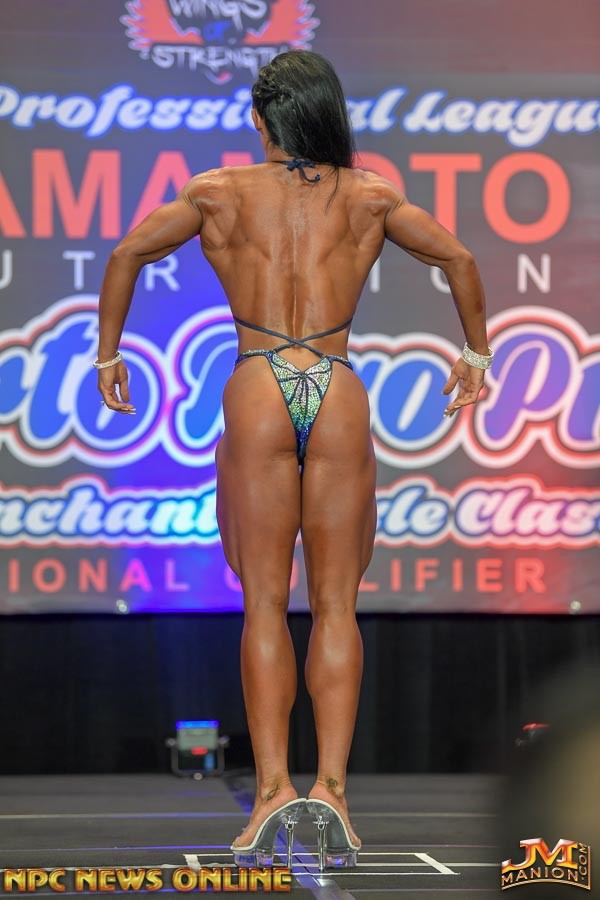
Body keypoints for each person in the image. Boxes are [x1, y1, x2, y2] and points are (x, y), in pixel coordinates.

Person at [95, 50, 493, 871]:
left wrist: (108, 355)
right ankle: (333, 792)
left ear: (260, 119)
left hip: (257, 383)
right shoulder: (369, 195)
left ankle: (273, 791)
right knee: (337, 604)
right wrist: (476, 356)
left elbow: (128, 252)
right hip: (336, 384)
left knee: (265, 605)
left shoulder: (218, 193)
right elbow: (459, 258)